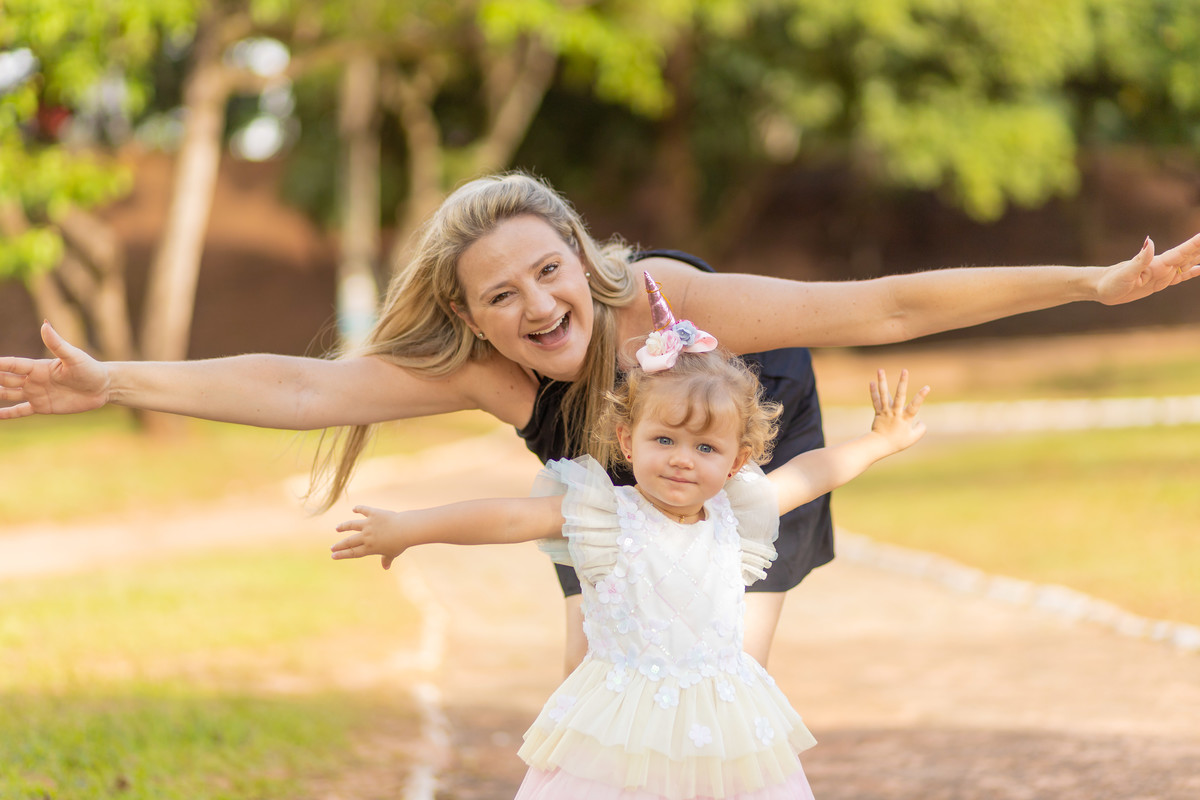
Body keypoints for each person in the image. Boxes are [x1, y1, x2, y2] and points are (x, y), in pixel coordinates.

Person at [0, 172, 1197, 673]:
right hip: (607, 493)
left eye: (546, 272)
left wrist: (1089, 283)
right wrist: (116, 382)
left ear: (584, 256)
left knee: (709, 667)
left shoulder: (676, 301)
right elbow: (305, 387)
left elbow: (882, 303)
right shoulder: (487, 369)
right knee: (600, 686)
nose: (535, 306)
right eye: (499, 296)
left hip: (741, 448)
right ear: (471, 318)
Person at [330, 312, 930, 798]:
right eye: (663, 439)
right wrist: (409, 527)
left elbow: (813, 471)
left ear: (737, 460)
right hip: (619, 729)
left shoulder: (738, 513)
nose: (681, 459)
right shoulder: (605, 514)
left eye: (705, 447)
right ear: (627, 439)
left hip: (724, 722)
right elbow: (508, 516)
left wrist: (880, 442)